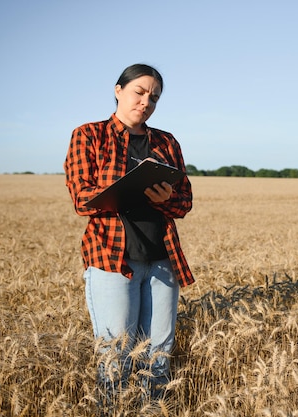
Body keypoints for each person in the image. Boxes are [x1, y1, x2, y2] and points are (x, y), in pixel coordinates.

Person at [64, 64, 194, 407]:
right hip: (111, 259)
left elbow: (185, 201)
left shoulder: (167, 142)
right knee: (116, 356)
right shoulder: (89, 135)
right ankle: (113, 411)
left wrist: (168, 199)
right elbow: (82, 198)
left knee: (159, 355)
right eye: (139, 92)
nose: (146, 102)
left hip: (163, 261)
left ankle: (154, 410)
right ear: (118, 90)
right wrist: (127, 187)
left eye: (154, 97)